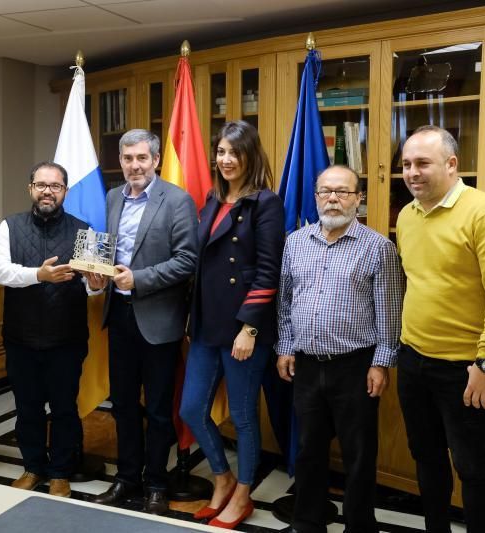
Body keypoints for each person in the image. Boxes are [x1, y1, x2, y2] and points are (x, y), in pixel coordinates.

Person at [396, 125, 485, 533]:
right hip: (413, 359)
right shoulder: (406, 214)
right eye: (406, 165)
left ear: (452, 165)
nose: (412, 173)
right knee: (426, 457)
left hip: (467, 369)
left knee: (471, 466)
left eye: (422, 163)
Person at [275, 164, 404, 533]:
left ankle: (359, 526)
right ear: (315, 197)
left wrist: (380, 364)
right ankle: (307, 522)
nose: (333, 198)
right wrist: (285, 347)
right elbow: (284, 303)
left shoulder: (379, 247)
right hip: (306, 365)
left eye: (343, 191)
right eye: (326, 191)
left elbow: (389, 312)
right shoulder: (295, 242)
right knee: (309, 449)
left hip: (356, 367)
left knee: (358, 454)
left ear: (358, 198)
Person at [176, 121, 284, 529]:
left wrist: (250, 328)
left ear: (250, 156)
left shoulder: (265, 202)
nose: (225, 160)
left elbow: (268, 271)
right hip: (206, 324)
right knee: (191, 408)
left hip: (243, 329)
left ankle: (242, 494)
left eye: (233, 153)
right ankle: (221, 478)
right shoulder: (212, 197)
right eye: (220, 152)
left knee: (241, 416)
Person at [86, 129, 198, 515]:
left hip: (159, 321)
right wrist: (96, 275)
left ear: (156, 161)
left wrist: (141, 279)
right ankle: (127, 477)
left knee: (157, 409)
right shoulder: (113, 196)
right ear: (121, 161)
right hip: (119, 316)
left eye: (142, 159)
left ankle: (155, 483)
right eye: (128, 158)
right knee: (123, 406)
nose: (135, 165)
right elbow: (108, 248)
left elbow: (187, 260)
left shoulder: (178, 200)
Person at [0, 161, 89, 497]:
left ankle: (60, 472)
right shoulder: (9, 227)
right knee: (27, 408)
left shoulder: (84, 230)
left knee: (64, 408)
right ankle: (33, 467)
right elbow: (0, 273)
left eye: (55, 186)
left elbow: (93, 289)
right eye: (41, 184)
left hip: (67, 338)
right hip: (22, 338)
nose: (48, 191)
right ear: (30, 188)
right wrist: (39, 275)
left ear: (65, 191)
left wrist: (98, 283)